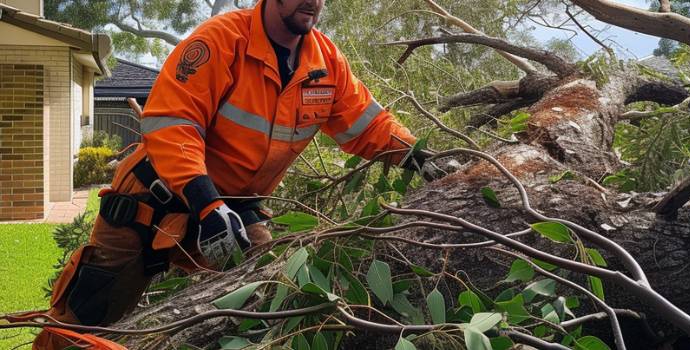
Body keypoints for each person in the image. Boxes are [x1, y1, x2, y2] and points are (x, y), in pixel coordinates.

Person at [32, 0, 429, 348]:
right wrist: (205, 202)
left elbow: (370, 126)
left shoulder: (325, 64)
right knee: (86, 317)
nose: (311, 1)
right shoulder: (222, 40)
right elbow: (173, 122)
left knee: (276, 289)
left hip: (236, 207)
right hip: (151, 199)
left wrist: (418, 155)